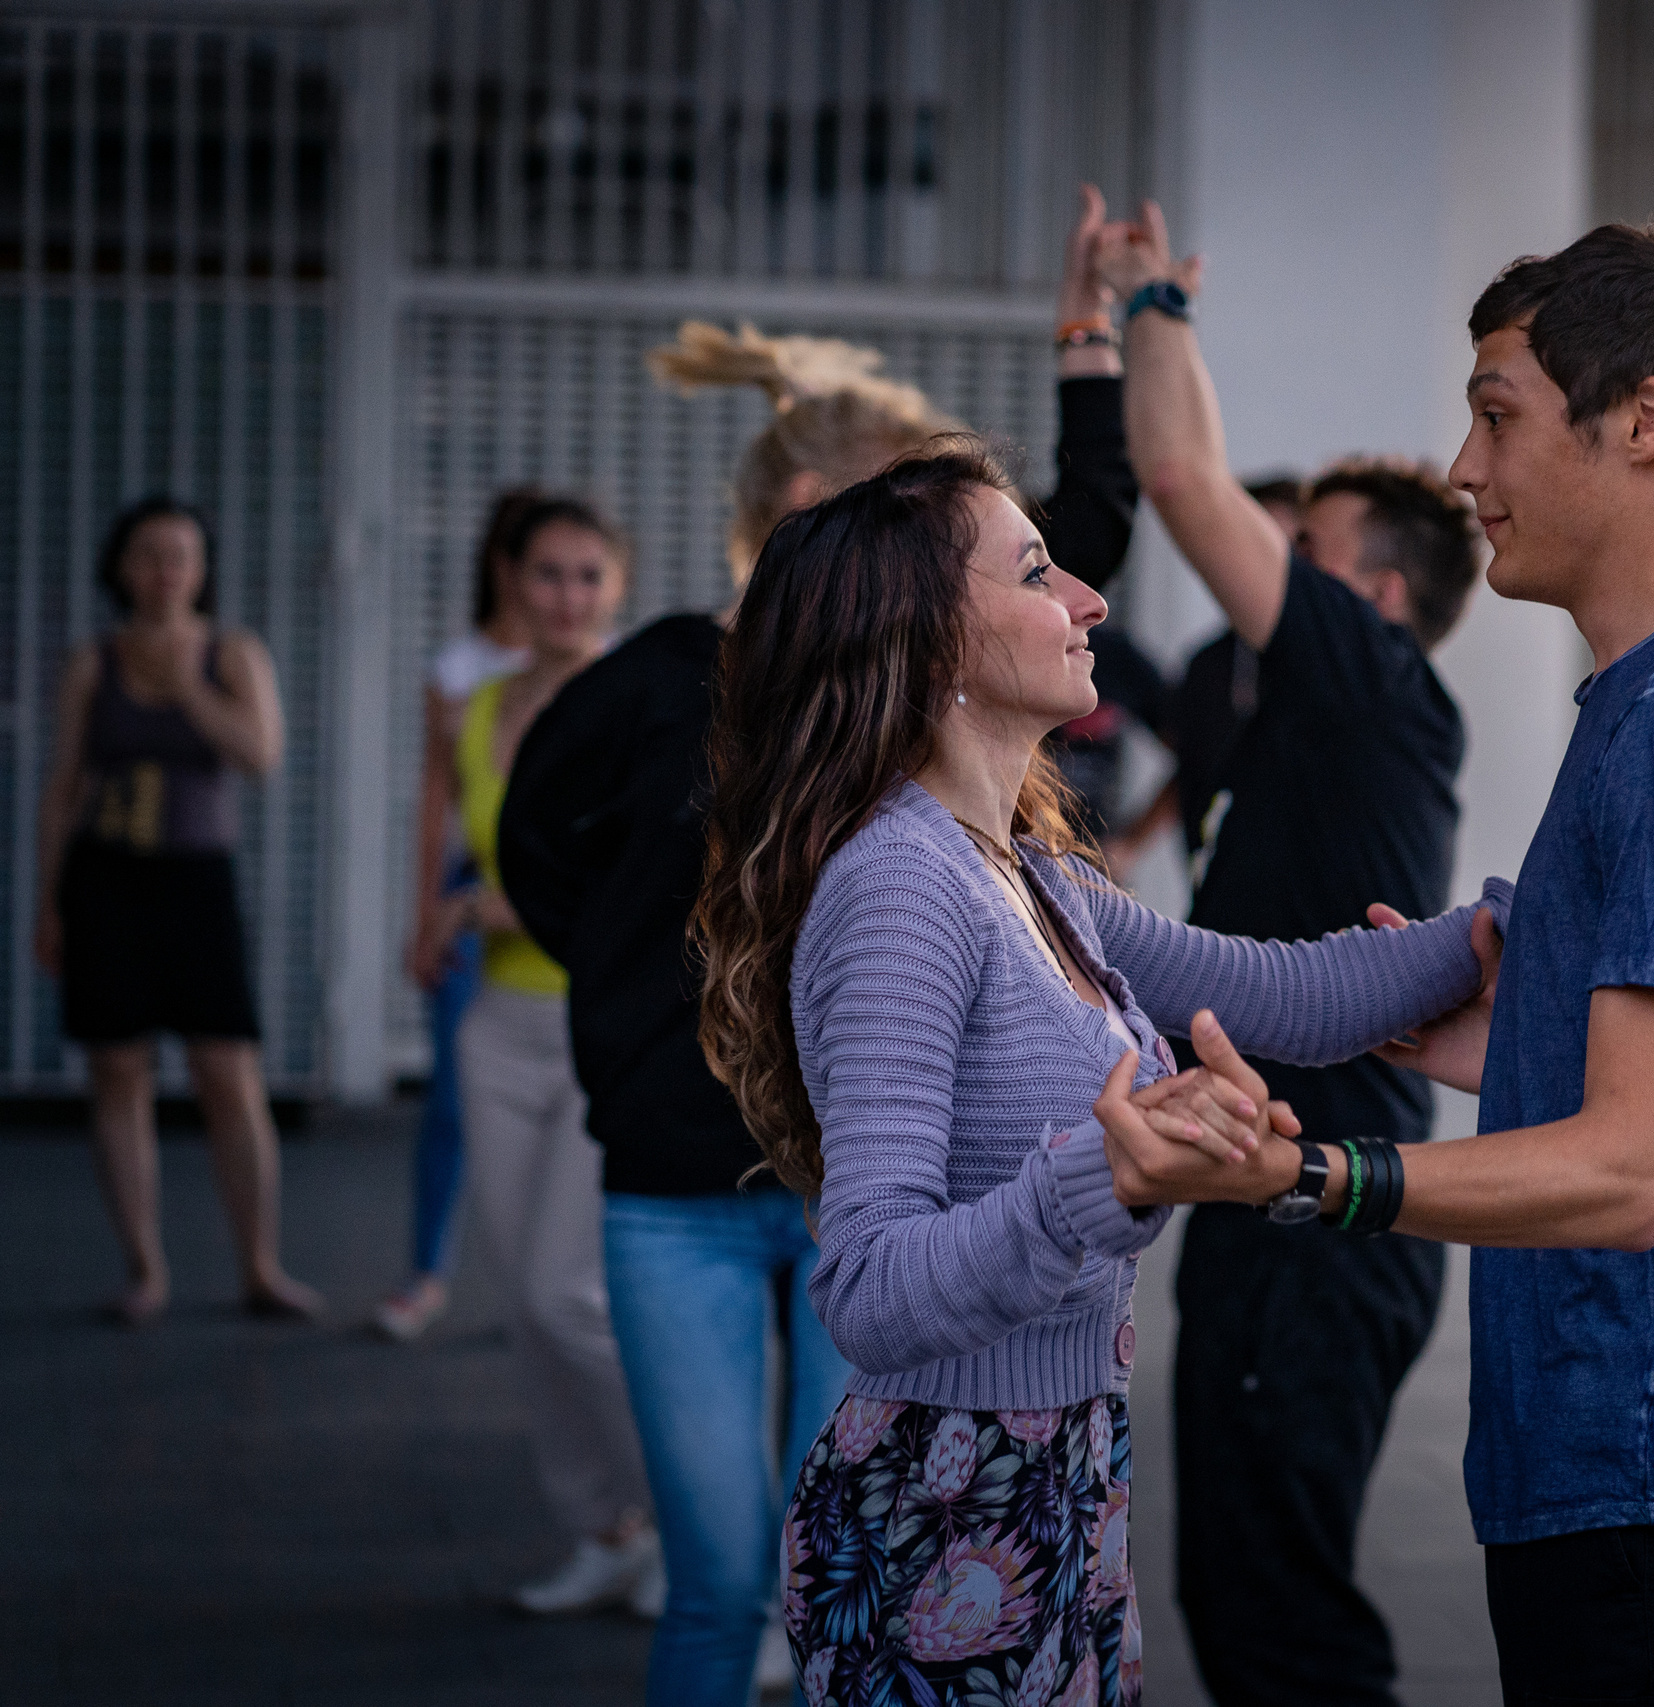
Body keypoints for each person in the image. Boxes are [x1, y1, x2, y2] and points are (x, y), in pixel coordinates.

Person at [1097, 224, 1654, 1707]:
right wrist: (1535, 1049)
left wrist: (1310, 1176)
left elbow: (1635, 1173)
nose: (1462, 465)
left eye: (1496, 411)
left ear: (1643, 423)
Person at [690, 443, 1511, 1707]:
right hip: (950, 1505)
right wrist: (1099, 1178)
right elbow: (863, 1284)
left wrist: (1506, 929)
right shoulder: (903, 887)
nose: (1092, 598)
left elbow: (1292, 992)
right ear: (924, 642)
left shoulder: (1022, 875)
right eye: (1035, 570)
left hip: (1055, 1473)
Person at [501, 187, 1145, 1707]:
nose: (901, 554)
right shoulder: (661, 678)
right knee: (719, 1581)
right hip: (674, 1183)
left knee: (823, 1572)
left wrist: (1094, 338)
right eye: (868, 511)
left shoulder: (924, 750)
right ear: (790, 517)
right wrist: (644, 993)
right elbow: (536, 851)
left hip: (852, 1198)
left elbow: (1083, 540)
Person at [1089, 202, 1486, 1706]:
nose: (1274, 569)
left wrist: (1153, 305)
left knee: (1282, 1615)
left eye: (1306, 552)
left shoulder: (1374, 684)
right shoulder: (1304, 716)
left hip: (1327, 1224)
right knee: (1242, 1590)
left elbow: (1185, 477)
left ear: (1375, 599)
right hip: (1276, 1197)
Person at [426, 495, 661, 1618]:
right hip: (496, 1030)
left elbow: (623, 884)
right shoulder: (474, 709)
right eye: (549, 575)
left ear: (616, 587)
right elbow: (458, 846)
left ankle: (687, 1516)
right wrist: (438, 915)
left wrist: (479, 907)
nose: (568, 596)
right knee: (523, 1302)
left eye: (589, 575)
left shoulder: (642, 706)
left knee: (572, 1293)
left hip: (602, 1028)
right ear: (512, 583)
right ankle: (600, 1526)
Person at [34, 497, 320, 1327]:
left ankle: (260, 1266)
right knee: (117, 1069)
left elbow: (261, 754)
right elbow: (64, 789)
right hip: (107, 876)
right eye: (150, 555)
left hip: (197, 881)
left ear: (202, 569)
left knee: (228, 1071)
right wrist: (48, 900)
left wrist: (188, 690)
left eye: (182, 556)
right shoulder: (95, 661)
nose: (166, 572)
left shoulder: (233, 652)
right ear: (122, 567)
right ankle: (144, 1268)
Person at [375, 487, 540, 1343]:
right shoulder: (459, 671)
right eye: (532, 565)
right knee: (451, 1097)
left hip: (557, 906)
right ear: (502, 568)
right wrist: (423, 914)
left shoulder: (599, 663)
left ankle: (537, 1289)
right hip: (474, 891)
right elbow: (434, 803)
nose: (549, 589)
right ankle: (427, 1272)